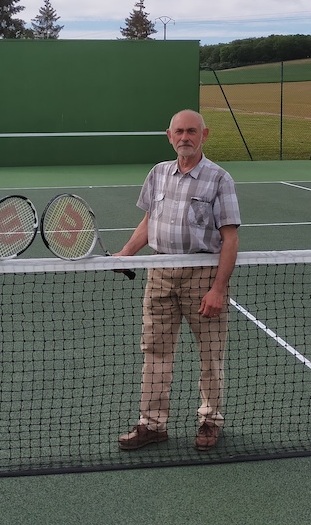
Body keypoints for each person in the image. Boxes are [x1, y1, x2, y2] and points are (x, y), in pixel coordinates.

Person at [115, 109, 241, 452]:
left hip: (202, 276)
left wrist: (217, 289)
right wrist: (126, 252)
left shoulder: (219, 178)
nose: (185, 137)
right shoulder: (157, 174)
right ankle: (153, 424)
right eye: (179, 132)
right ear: (169, 136)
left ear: (204, 135)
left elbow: (230, 239)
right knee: (155, 352)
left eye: (192, 131)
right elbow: (149, 221)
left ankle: (210, 421)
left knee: (211, 354)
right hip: (160, 274)